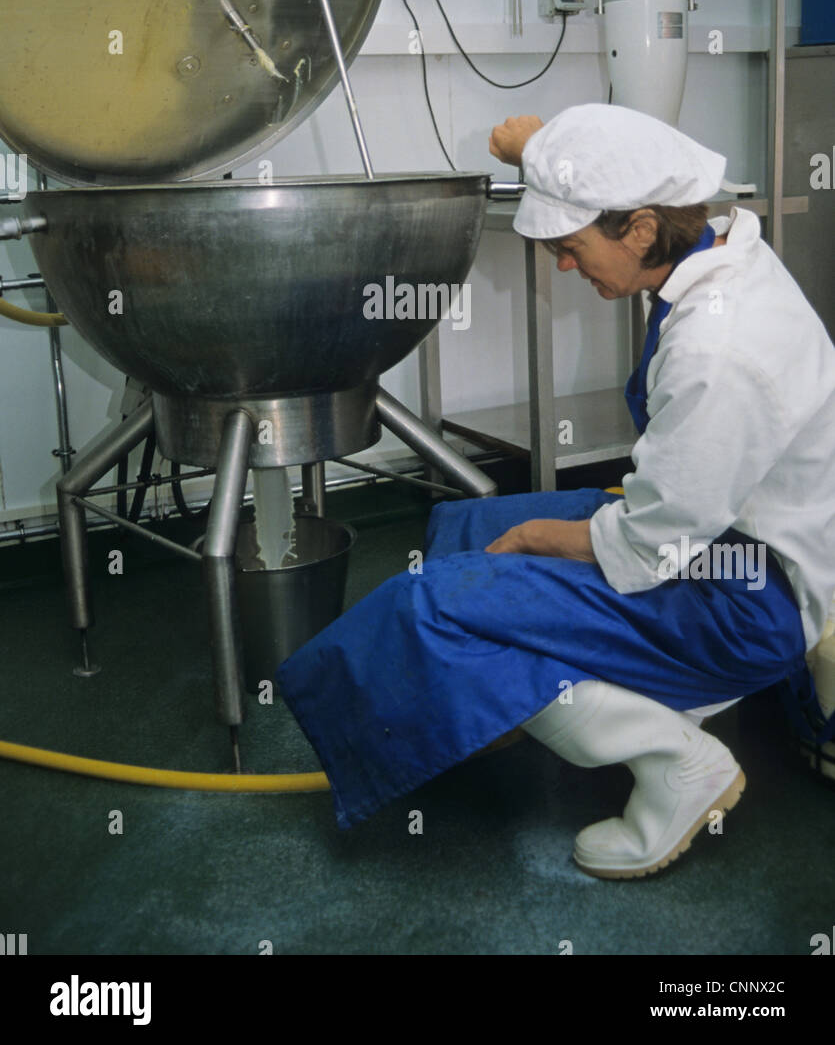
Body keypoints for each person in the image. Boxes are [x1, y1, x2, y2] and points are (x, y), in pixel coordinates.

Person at [278, 103, 835, 879]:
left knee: (437, 606)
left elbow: (649, 546)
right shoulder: (720, 241)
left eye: (571, 249)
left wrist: (543, 538)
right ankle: (501, 702)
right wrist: (533, 148)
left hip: (742, 600)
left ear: (640, 229)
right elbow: (609, 170)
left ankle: (679, 767)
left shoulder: (720, 352)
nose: (563, 267)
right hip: (721, 538)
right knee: (468, 528)